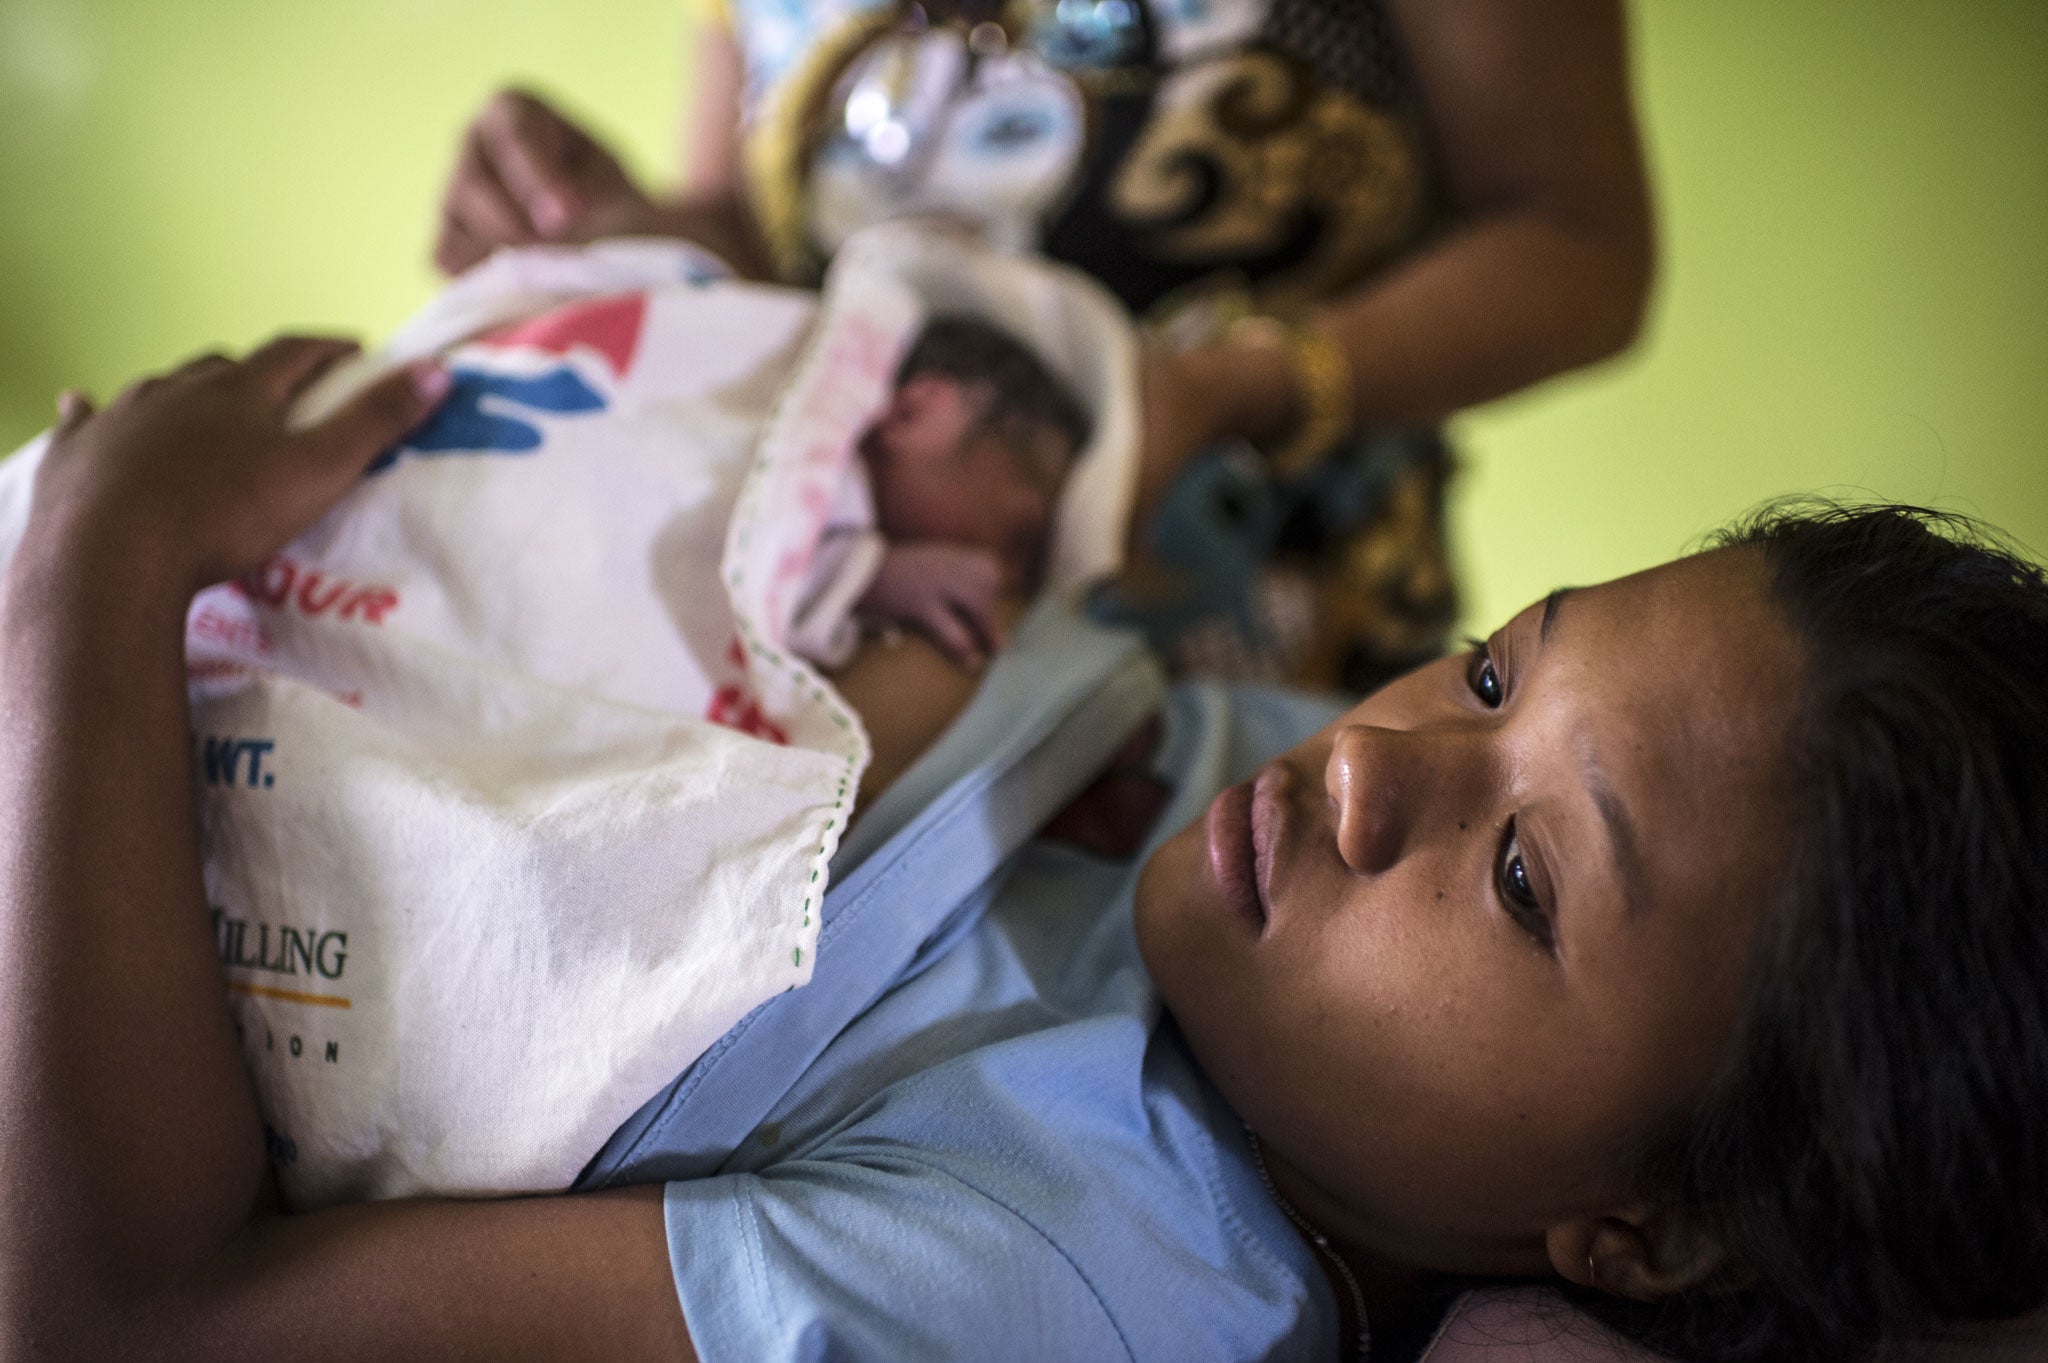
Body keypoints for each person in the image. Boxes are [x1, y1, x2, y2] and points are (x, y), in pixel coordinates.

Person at [2, 339, 2045, 1363]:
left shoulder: (1078, 1270)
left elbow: (139, 1319)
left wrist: (98, 570)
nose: (1373, 767)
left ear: (1645, 1226)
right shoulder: (1255, 804)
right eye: (1495, 668)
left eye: (1524, 885)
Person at [431, 0, 1655, 691]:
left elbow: (1579, 241)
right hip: (860, 651)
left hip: (1264, 648)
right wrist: (610, 235)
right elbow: (754, 233)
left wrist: (1233, 387)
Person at [806, 312, 1091, 669]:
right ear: (913, 413)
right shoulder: (817, 450)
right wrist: (866, 577)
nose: (1003, 581)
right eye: (1019, 539)